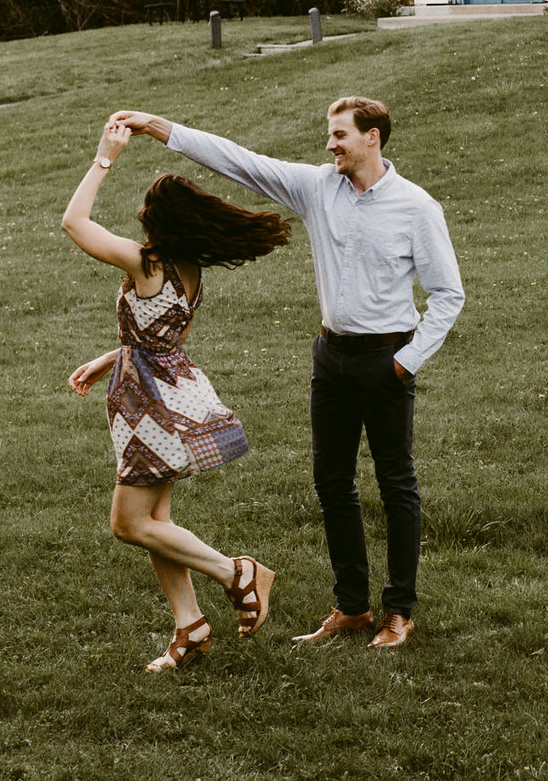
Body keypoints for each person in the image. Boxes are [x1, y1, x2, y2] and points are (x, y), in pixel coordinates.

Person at [112, 97, 462, 651]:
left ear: (373, 137)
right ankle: (351, 609)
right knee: (332, 483)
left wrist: (405, 362)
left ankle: (398, 612)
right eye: (330, 134)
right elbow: (239, 161)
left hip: (387, 360)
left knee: (396, 485)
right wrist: (157, 127)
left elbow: (448, 295)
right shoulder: (318, 187)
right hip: (331, 357)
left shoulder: (417, 207)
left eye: (341, 135)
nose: (330, 144)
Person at [61, 117, 286, 672]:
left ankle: (238, 573)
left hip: (148, 409)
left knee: (129, 524)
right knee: (157, 520)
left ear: (157, 222)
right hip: (168, 393)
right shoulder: (189, 271)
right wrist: (108, 357)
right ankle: (189, 628)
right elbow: (161, 337)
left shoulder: (145, 262)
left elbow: (73, 221)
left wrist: (105, 156)